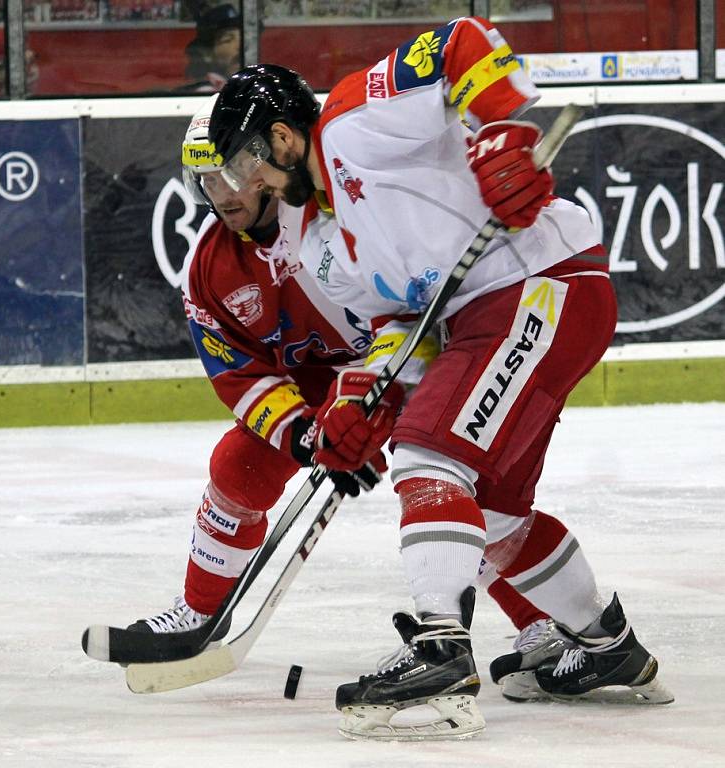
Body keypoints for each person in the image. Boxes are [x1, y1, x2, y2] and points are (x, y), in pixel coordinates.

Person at [205, 19, 673, 740]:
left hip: (539, 279)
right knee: (493, 517)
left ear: (281, 137)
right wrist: (362, 400)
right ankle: (608, 648)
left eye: (246, 164)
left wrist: (499, 135)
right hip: (492, 311)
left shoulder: (354, 120)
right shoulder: (314, 242)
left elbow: (463, 42)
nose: (246, 185)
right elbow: (400, 326)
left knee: (429, 456)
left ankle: (439, 649)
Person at [127, 98, 561, 698]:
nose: (220, 192)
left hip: (409, 366)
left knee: (460, 489)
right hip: (329, 393)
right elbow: (240, 375)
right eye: (204, 180)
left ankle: (543, 626)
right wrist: (309, 436)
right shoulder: (210, 268)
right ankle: (202, 610)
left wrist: (371, 406)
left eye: (228, 173)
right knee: (237, 463)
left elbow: (413, 310)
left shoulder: (325, 215)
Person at [180, 3, 242, 93]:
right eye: (227, 40)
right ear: (207, 54)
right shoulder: (204, 94)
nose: (240, 46)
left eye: (244, 39)